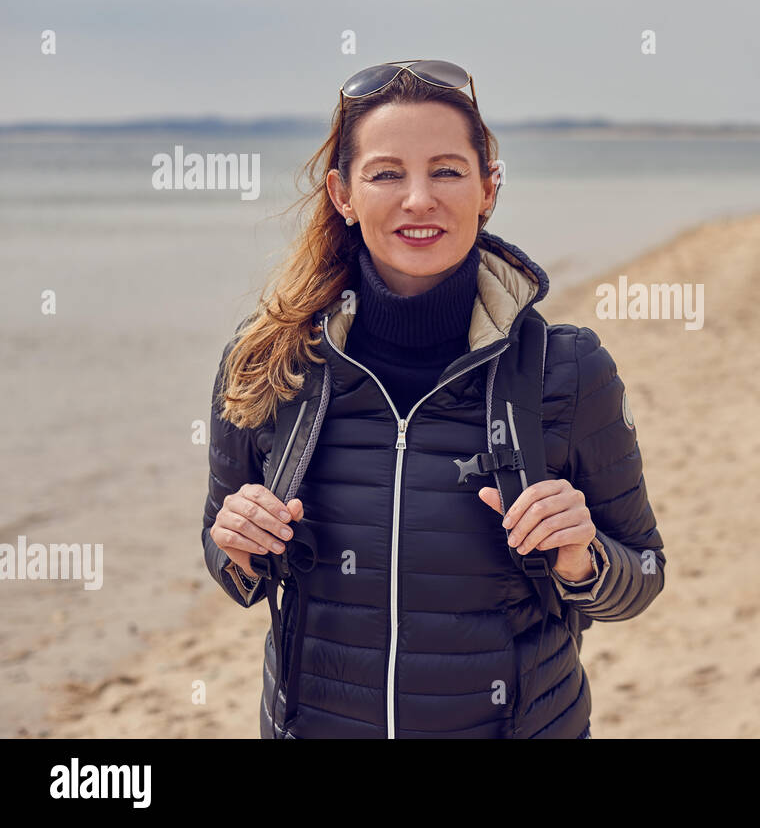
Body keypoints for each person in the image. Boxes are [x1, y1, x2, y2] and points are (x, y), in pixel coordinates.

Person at [199, 59, 666, 738]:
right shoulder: (268, 361)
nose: (419, 198)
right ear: (343, 194)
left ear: (488, 189)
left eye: (446, 170)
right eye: (387, 173)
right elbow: (232, 567)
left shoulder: (565, 368)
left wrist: (582, 555)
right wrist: (237, 544)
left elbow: (644, 571)